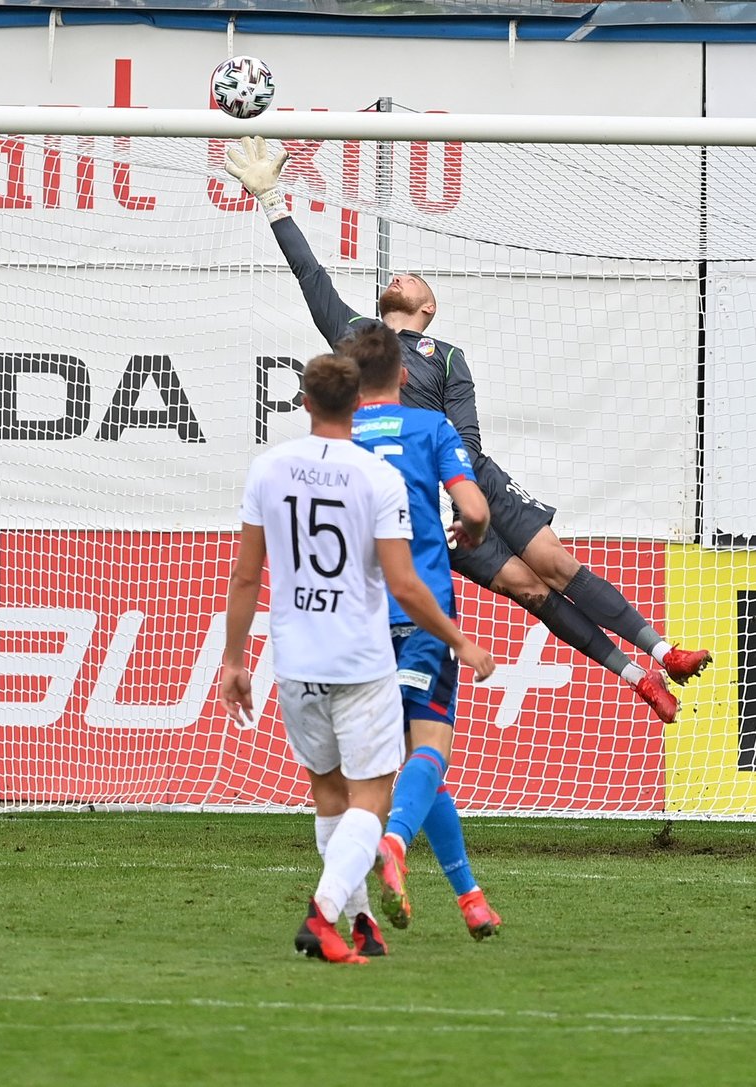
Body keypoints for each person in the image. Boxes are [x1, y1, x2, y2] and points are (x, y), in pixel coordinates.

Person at [225, 136, 712, 727]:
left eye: (415, 280)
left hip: (469, 481)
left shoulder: (448, 356)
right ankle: (639, 678)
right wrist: (271, 198)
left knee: (555, 566)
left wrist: (463, 492)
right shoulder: (355, 334)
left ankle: (665, 650)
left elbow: (468, 436)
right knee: (531, 592)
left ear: (428, 308)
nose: (402, 274)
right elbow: (310, 275)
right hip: (413, 506)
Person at [219, 352, 495, 965]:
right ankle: (324, 914)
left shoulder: (269, 467)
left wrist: (234, 660)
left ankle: (363, 921)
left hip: (294, 658)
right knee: (374, 799)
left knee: (328, 795)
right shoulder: (377, 477)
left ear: (307, 403)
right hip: (361, 656)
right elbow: (404, 585)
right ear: (369, 395)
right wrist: (458, 639)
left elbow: (244, 577)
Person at [342, 322, 501, 941]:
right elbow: (477, 509)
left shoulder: (336, 439)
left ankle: (472, 900)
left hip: (355, 621)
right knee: (432, 747)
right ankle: (393, 840)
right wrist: (476, 534)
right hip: (425, 610)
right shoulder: (430, 427)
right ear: (405, 376)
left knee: (411, 762)